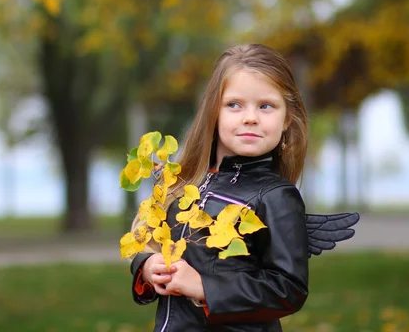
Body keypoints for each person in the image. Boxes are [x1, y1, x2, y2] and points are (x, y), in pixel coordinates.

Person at [128, 43, 357, 332]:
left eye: (266, 106)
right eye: (234, 104)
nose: (250, 117)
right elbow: (152, 245)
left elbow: (288, 289)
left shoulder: (276, 196)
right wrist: (148, 267)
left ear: (287, 118)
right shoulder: (186, 185)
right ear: (214, 112)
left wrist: (204, 287)